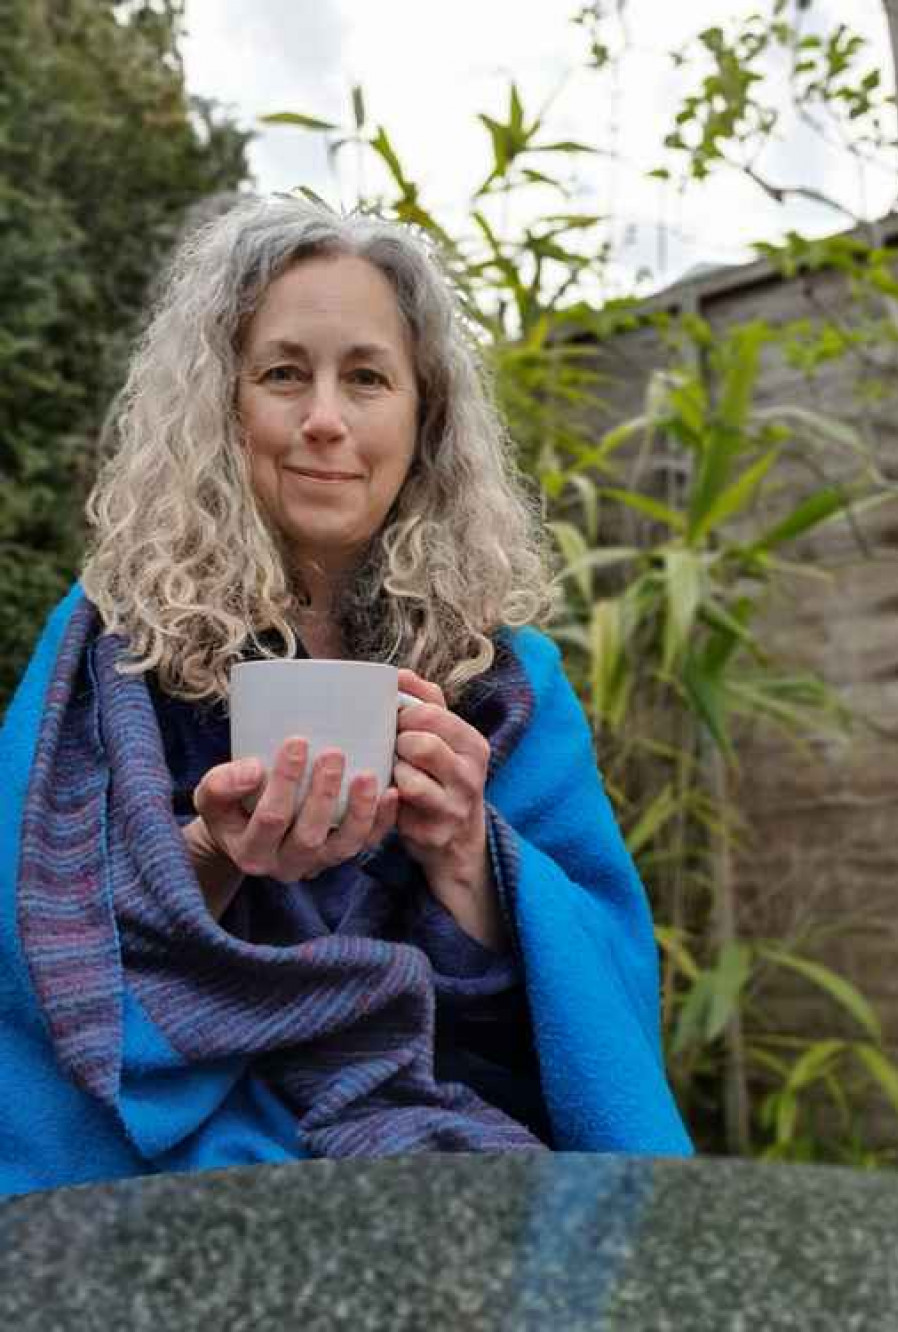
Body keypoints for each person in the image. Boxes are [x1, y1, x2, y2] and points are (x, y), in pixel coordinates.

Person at [0, 195, 692, 1196]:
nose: (324, 419)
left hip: (445, 1138)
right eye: (284, 373)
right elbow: (38, 948)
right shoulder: (110, 644)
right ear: (223, 407)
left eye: (365, 377)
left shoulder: (503, 678)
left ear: (424, 416)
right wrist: (210, 856)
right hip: (175, 1151)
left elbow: (595, 983)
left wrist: (468, 855)